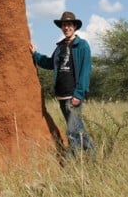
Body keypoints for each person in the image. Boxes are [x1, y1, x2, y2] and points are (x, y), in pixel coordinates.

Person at [30, 11, 95, 157]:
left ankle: (72, 163)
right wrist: (35, 55)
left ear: (75, 27)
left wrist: (79, 93)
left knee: (73, 131)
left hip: (73, 95)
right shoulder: (60, 47)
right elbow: (49, 63)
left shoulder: (82, 45)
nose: (66, 28)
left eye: (69, 25)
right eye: (64, 25)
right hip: (61, 96)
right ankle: (93, 157)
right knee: (77, 129)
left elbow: (85, 71)